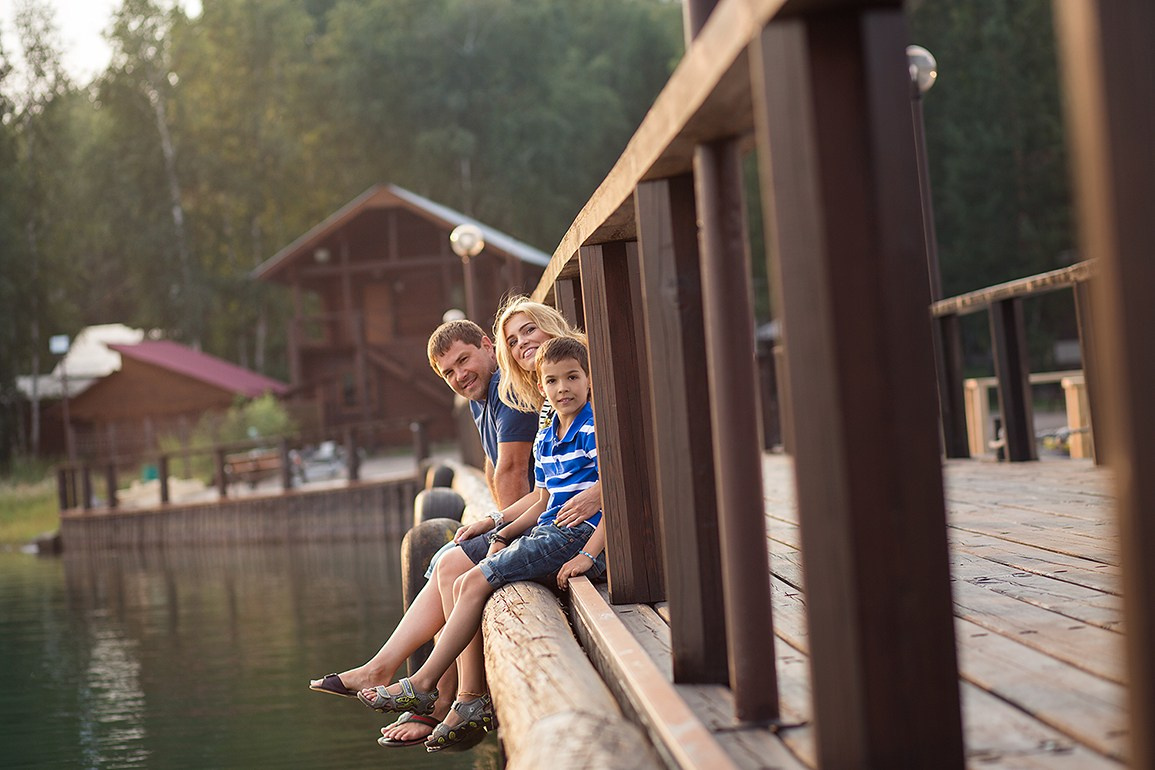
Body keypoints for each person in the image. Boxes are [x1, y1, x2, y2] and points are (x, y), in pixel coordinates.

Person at [309, 311, 602, 749]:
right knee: (448, 561)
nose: (460, 375)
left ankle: (447, 695)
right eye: (449, 372)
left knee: (456, 569)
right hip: (536, 522)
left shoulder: (533, 397)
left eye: (530, 332)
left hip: (559, 532)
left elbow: (514, 470)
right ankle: (420, 685)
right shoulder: (523, 401)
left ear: (487, 347)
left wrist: (525, 534)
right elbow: (534, 486)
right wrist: (495, 524)